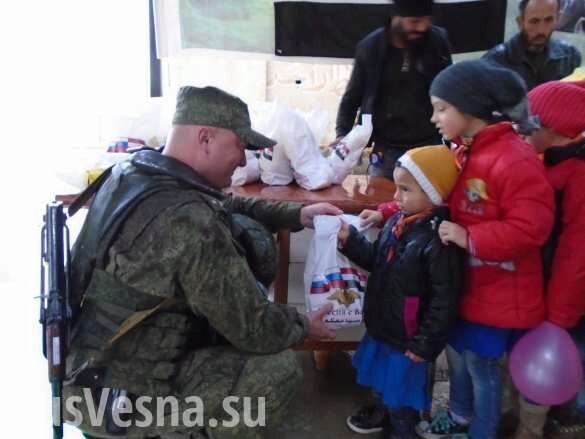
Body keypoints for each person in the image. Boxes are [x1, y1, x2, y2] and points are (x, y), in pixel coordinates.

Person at [62, 85, 342, 439]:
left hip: (85, 369)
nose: (243, 160)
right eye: (239, 146)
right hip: (120, 400)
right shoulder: (190, 223)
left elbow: (225, 204)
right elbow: (255, 328)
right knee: (279, 367)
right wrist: (304, 327)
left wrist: (296, 214)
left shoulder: (133, 172)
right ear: (206, 138)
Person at [415, 60, 555, 439]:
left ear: (471, 107)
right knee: (459, 357)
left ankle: (483, 430)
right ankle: (461, 416)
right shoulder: (471, 151)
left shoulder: (513, 158)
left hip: (499, 295)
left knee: (482, 370)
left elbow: (532, 227)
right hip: (472, 288)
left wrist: (468, 237)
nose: (434, 118)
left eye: (441, 108)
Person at [338, 145, 465, 438]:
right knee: (382, 387)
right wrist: (350, 240)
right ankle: (384, 418)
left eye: (405, 190)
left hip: (408, 341)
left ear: (434, 193)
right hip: (384, 330)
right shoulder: (397, 222)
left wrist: (425, 344)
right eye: (397, 188)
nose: (396, 197)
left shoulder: (439, 241)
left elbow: (444, 301)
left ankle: (401, 432)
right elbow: (376, 261)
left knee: (402, 402)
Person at [509, 79, 585, 439]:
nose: (521, 131)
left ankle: (566, 418)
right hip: (552, 285)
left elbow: (577, 253)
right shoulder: (556, 160)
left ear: (552, 130)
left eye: (528, 124)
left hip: (570, 298)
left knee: (570, 356)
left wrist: (559, 314)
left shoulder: (579, 174)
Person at [334, 0, 452, 179]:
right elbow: (353, 96)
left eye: (426, 20)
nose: (421, 28)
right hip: (385, 150)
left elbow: (449, 91)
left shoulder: (437, 42)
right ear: (396, 17)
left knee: (428, 205)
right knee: (380, 203)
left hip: (429, 147)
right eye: (414, 21)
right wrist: (342, 134)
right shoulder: (370, 48)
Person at [482, 0, 582, 90]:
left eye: (548, 20)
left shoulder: (570, 57)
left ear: (558, 18)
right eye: (534, 21)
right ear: (520, 22)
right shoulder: (494, 62)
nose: (541, 30)